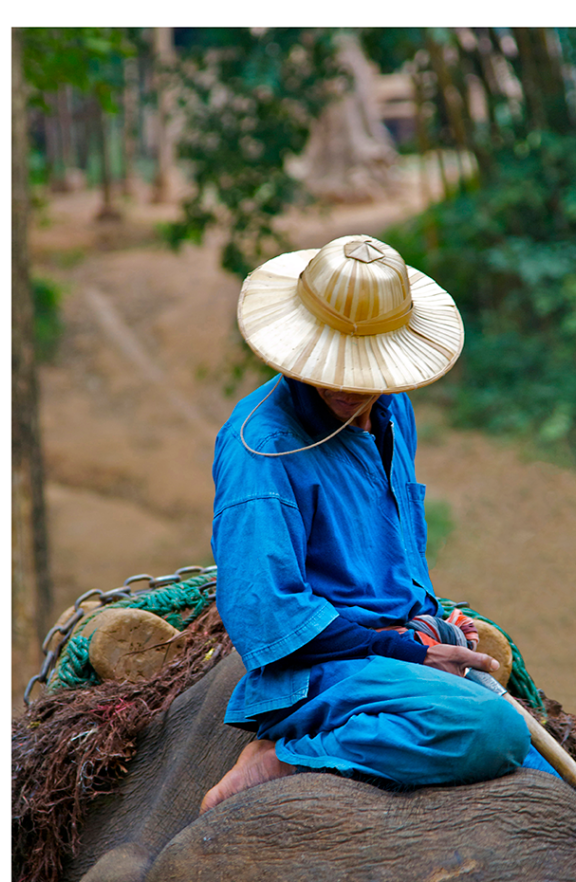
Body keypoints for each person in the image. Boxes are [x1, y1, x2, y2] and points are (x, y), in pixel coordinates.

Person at [200, 234, 554, 814]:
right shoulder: (260, 447)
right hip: (322, 669)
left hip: (399, 647)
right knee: (494, 729)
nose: (346, 384)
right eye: (329, 362)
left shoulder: (392, 411)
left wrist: (432, 625)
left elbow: (399, 551)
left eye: (365, 368)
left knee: (550, 783)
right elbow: (267, 612)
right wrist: (409, 655)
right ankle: (285, 756)